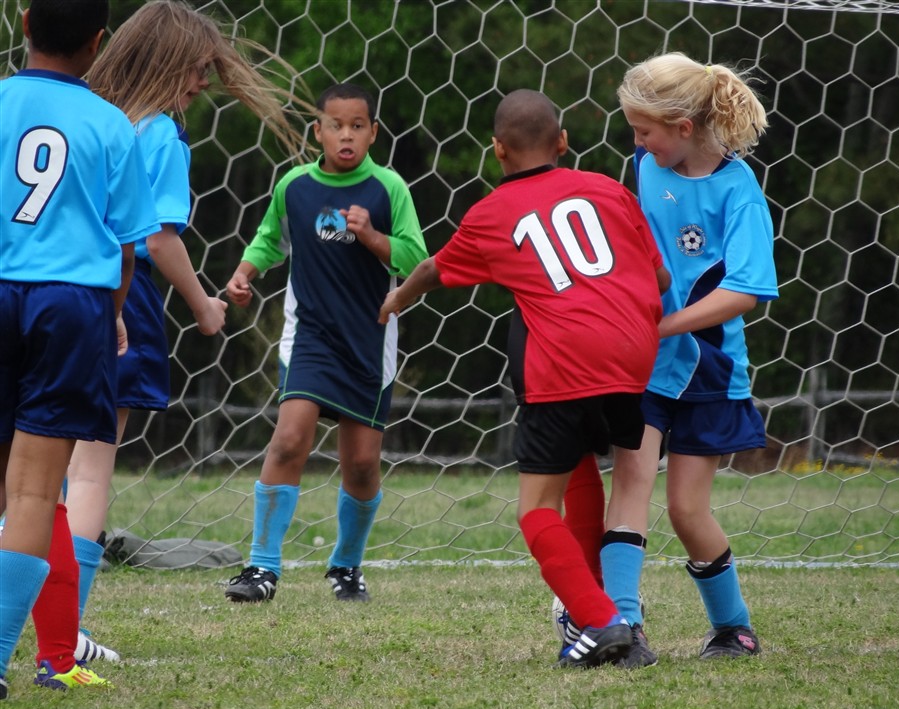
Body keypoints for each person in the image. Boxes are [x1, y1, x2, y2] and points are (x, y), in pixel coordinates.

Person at [40, 0, 311, 667]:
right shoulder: (157, 132)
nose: (202, 83)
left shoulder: (84, 116)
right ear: (163, 63)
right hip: (117, 295)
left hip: (44, 287)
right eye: (195, 69)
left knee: (35, 470)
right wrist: (202, 306)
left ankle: (27, 611)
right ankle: (65, 631)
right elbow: (157, 238)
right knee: (89, 470)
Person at [379, 89, 672, 668]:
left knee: (535, 510)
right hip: (633, 356)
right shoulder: (609, 189)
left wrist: (395, 299)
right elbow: (660, 279)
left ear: (497, 150)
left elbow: (434, 268)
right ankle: (597, 610)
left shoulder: (491, 213)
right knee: (578, 463)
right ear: (563, 142)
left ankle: (603, 620)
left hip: (565, 362)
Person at [0, 0, 159, 697]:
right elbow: (127, 246)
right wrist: (115, 316)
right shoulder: (110, 124)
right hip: (71, 304)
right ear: (98, 44)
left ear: (23, 24)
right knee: (36, 492)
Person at [223, 82, 428, 604]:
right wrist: (245, 273)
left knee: (360, 463)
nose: (346, 135)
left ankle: (347, 566)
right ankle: (261, 567)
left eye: (357, 126)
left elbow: (417, 260)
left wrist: (373, 236)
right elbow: (269, 240)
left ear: (374, 133)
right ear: (317, 131)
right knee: (289, 439)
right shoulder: (294, 186)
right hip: (310, 338)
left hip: (368, 342)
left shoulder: (388, 188)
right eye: (336, 125)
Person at [609, 52, 778, 659]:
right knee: (629, 482)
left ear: (684, 127)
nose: (637, 143)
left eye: (644, 131)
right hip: (645, 366)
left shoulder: (739, 192)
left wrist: (663, 325)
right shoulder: (645, 167)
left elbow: (746, 291)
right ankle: (621, 626)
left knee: (685, 509)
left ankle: (733, 627)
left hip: (709, 369)